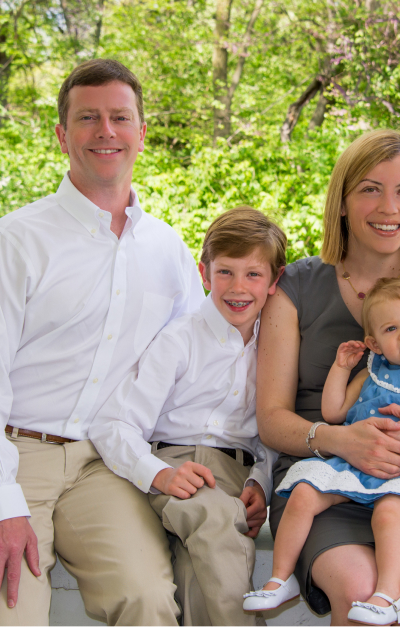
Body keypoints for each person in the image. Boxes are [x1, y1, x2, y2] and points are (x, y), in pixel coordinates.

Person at [0, 59, 205, 625]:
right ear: (62, 134)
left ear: (142, 132)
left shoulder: (167, 250)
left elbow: (194, 371)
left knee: (147, 599)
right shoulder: (14, 241)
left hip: (105, 467)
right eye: (88, 117)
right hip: (10, 456)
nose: (105, 131)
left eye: (120, 117)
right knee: (8, 616)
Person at [256, 129, 400, 625]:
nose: (390, 207)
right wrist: (340, 440)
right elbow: (272, 419)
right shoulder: (295, 286)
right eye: (370, 189)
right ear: (341, 201)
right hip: (324, 478)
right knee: (359, 592)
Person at [245, 278, 400, 625]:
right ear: (374, 342)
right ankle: (280, 578)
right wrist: (341, 369)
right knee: (303, 494)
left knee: (388, 516)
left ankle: (388, 594)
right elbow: (333, 412)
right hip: (355, 466)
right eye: (392, 328)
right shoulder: (372, 373)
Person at [90, 206, 285, 626]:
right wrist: (158, 473)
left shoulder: (277, 345)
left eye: (253, 274)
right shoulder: (180, 338)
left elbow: (273, 426)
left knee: (197, 579)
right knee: (216, 520)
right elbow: (113, 424)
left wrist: (260, 483)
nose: (238, 287)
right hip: (172, 466)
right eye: (225, 272)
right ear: (204, 272)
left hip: (234, 475)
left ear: (275, 281)